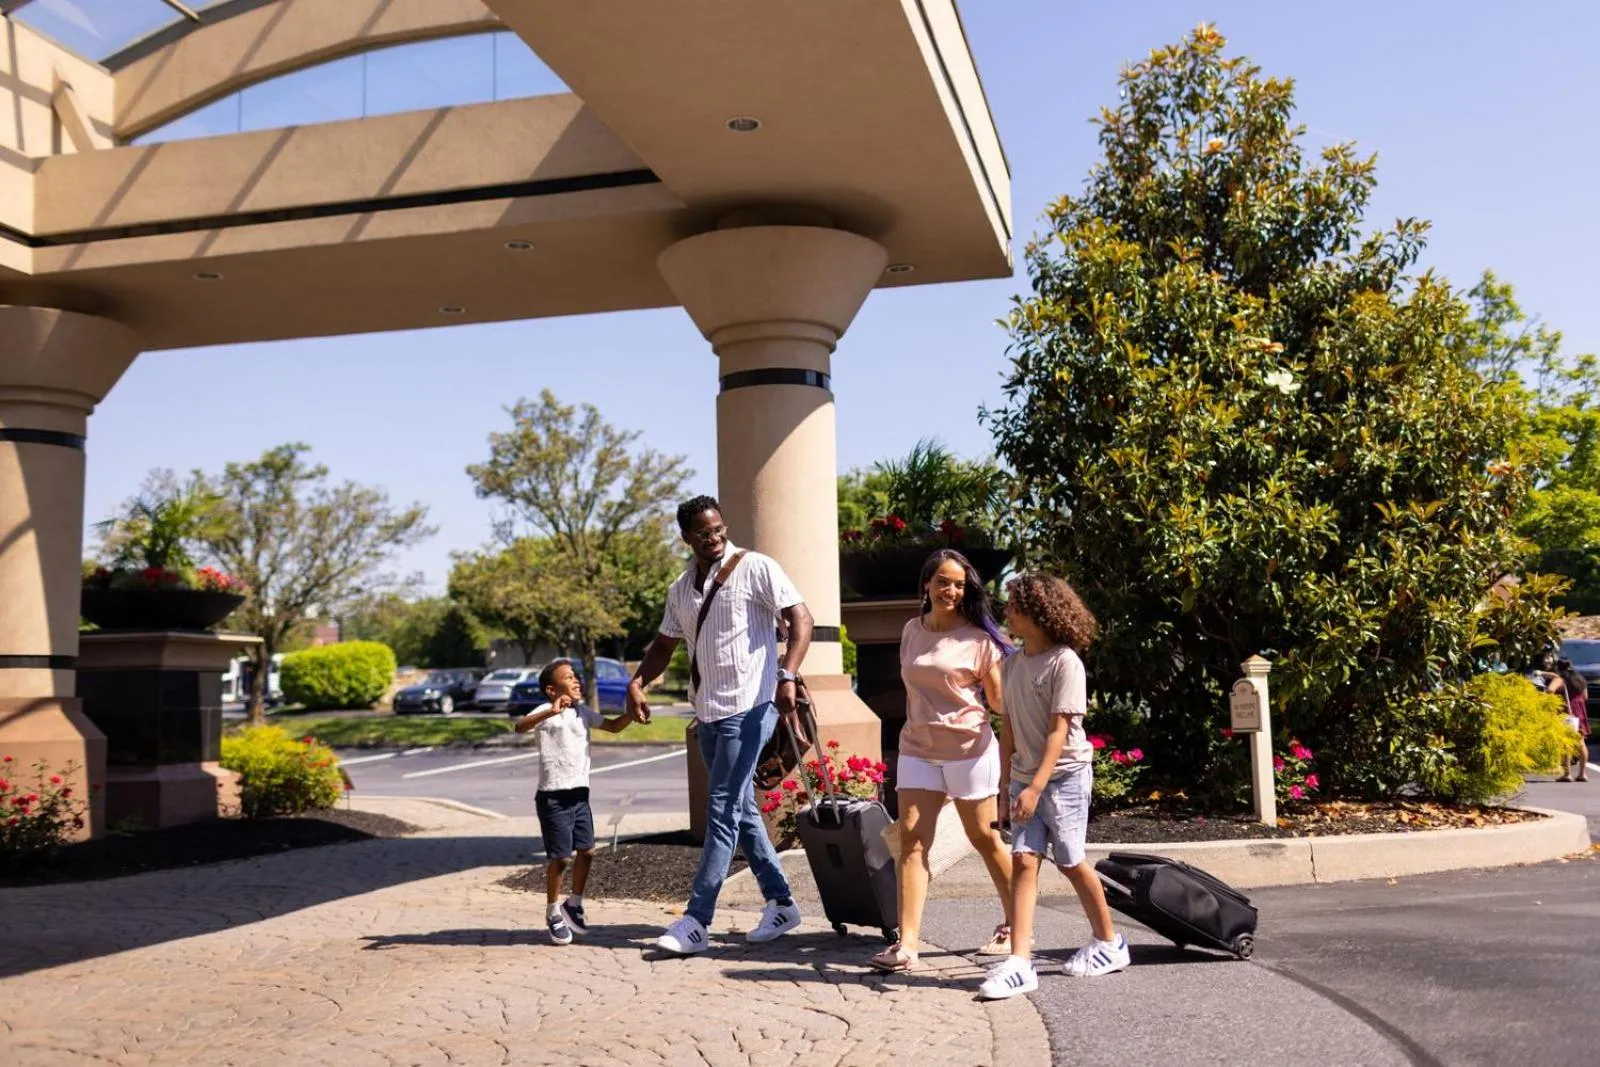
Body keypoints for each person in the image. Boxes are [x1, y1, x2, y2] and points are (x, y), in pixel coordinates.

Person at [627, 495, 814, 955]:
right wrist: (637, 682)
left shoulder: (756, 568)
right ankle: (782, 902)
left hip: (749, 706)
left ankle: (696, 920)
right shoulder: (680, 589)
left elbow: (800, 617)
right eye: (703, 533)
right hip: (707, 711)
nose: (714, 538)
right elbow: (664, 645)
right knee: (743, 810)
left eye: (718, 529)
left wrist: (787, 673)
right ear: (686, 538)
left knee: (722, 809)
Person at [980, 571, 1128, 1000]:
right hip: (1025, 780)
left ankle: (1109, 942)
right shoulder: (1011, 664)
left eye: (1014, 606)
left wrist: (1035, 788)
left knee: (1069, 860)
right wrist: (1007, 788)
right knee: (1025, 862)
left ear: (1038, 613)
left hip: (1062, 777)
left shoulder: (1066, 663)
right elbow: (1008, 729)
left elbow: (1058, 731)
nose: (1007, 612)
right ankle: (1020, 961)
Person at [869, 549, 1015, 972]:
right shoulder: (912, 630)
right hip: (917, 748)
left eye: (959, 584)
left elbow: (1001, 704)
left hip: (969, 750)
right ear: (927, 585)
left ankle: (1015, 924)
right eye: (943, 582)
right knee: (912, 842)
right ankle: (907, 945)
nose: (951, 590)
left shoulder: (979, 640)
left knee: (984, 839)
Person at [515, 658, 641, 944]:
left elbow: (612, 726)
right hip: (553, 797)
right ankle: (553, 911)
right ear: (551, 689)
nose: (576, 681)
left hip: (579, 794)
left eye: (576, 677)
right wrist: (549, 712)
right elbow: (520, 726)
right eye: (568, 677)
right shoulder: (546, 712)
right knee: (561, 858)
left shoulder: (583, 713)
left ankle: (575, 903)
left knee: (587, 851)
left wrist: (632, 713)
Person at [1555, 658, 1591, 783]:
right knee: (1581, 743)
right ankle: (1582, 774)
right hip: (1580, 712)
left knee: (1566, 743)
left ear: (1558, 668)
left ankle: (1567, 774)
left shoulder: (1560, 679)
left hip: (1566, 712)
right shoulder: (1580, 679)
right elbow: (1585, 697)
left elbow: (1549, 689)